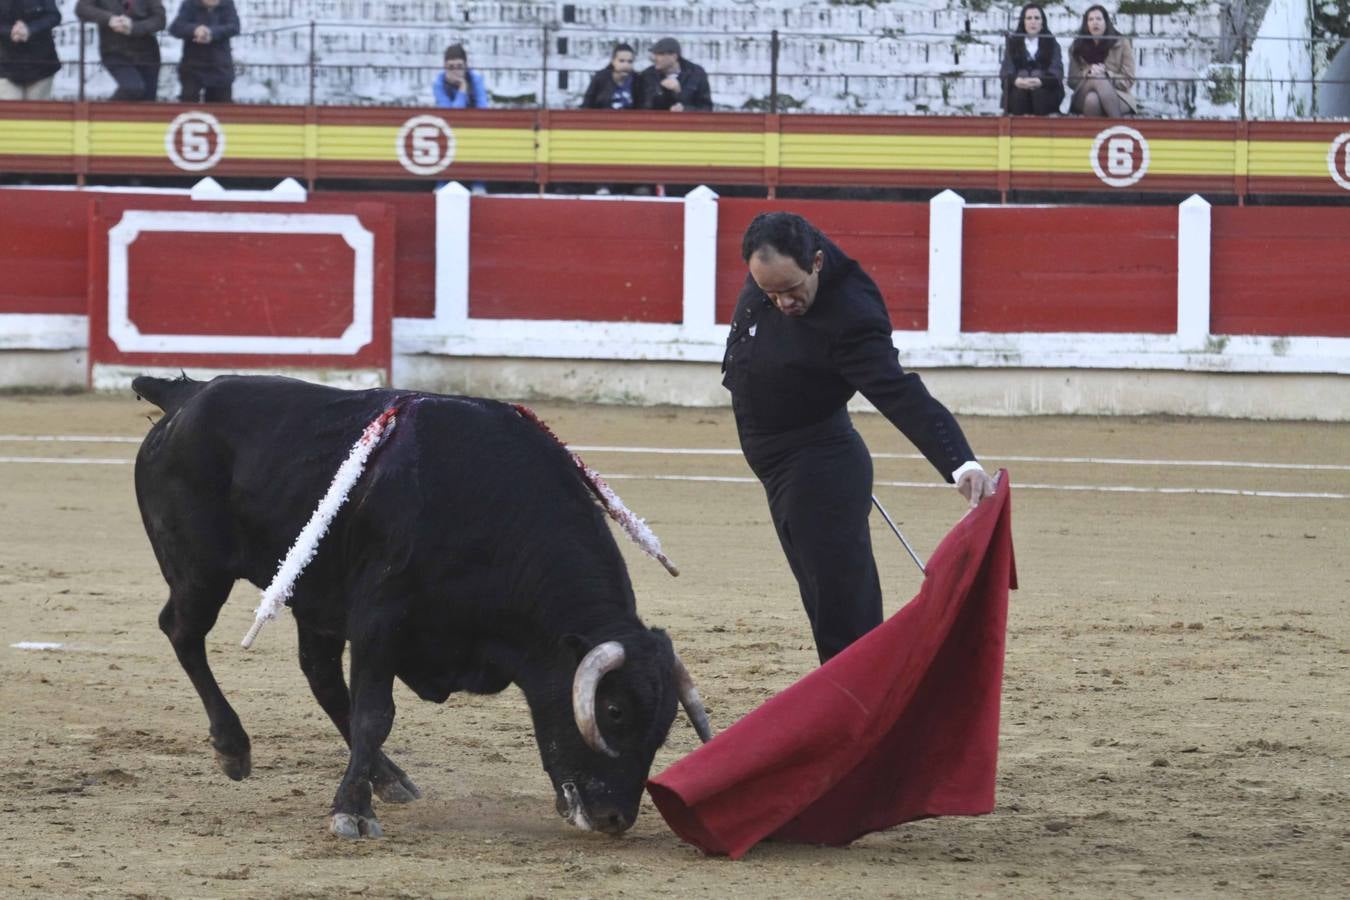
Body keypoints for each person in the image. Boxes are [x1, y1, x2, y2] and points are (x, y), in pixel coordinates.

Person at [723, 212, 996, 664]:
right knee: (823, 603)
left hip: (818, 468)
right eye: (768, 292)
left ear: (816, 263)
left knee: (843, 621)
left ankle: (868, 715)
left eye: (791, 289)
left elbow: (900, 392)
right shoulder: (778, 259)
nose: (783, 303)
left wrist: (960, 462)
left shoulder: (852, 314)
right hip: (782, 465)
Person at [76, 0, 166, 101]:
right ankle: (103, 114)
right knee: (132, 88)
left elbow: (160, 20)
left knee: (147, 101)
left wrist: (133, 27)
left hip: (147, 54)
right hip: (114, 51)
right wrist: (109, 19)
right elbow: (82, 9)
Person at [1067, 4, 1137, 117]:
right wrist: (1088, 73)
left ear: (1106, 22)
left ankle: (1094, 133)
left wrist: (1107, 74)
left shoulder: (1122, 43)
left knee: (1092, 100)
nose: (1095, 22)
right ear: (1086, 24)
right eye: (1091, 19)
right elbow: (1072, 81)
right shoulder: (1077, 46)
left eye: (1099, 19)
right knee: (1097, 78)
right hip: (1082, 95)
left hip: (1119, 95)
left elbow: (1128, 79)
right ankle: (1118, 128)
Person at [1000, 3, 1064, 115]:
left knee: (1039, 92)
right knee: (1019, 93)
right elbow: (1006, 70)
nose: (1033, 22)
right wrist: (1017, 81)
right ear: (1023, 22)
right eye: (1029, 18)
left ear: (1042, 22)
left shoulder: (1052, 43)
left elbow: (1057, 71)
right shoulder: (1013, 43)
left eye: (1036, 18)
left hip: (1044, 93)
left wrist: (1040, 81)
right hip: (1018, 92)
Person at [168, 0, 238, 103]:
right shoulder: (190, 4)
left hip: (220, 66)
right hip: (192, 65)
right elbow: (175, 28)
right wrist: (194, 30)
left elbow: (234, 27)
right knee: (189, 103)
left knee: (221, 107)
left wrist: (211, 33)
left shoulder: (227, 4)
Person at [0, 0, 61, 100]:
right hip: (5, 64)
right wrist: (10, 31)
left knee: (37, 113)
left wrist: (30, 29)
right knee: (10, 112)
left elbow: (54, 16)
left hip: (41, 65)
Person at [638, 36, 711, 112]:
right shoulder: (648, 75)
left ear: (674, 56)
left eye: (659, 54)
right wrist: (663, 92)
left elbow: (706, 108)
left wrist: (680, 97)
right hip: (658, 123)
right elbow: (644, 108)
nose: (654, 58)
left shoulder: (696, 73)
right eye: (654, 54)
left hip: (687, 122)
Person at [581, 41, 642, 110]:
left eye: (630, 61)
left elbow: (642, 109)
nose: (626, 65)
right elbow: (587, 105)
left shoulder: (638, 81)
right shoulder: (600, 78)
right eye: (621, 61)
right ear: (613, 61)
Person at [432, 42, 488, 109]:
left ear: (466, 66)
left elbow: (482, 110)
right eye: (451, 67)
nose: (455, 71)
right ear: (445, 67)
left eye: (459, 66)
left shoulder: (476, 80)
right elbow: (450, 114)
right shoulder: (439, 84)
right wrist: (462, 88)